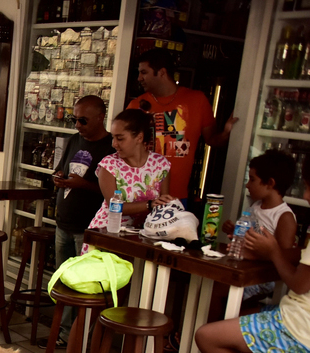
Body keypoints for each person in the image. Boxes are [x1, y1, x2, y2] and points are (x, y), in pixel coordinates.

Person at [195, 155, 310, 353]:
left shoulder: (284, 217)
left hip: (299, 325)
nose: (305, 195)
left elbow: (299, 284)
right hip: (296, 319)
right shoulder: (256, 207)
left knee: (206, 336)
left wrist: (272, 252)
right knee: (242, 320)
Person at [41, 95, 115, 349]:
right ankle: (62, 334)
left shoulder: (110, 148)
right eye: (75, 118)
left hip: (90, 228)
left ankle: (79, 339)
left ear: (99, 117)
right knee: (63, 282)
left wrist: (81, 184)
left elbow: (110, 194)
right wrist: (59, 178)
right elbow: (61, 169)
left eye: (82, 120)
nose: (78, 125)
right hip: (64, 222)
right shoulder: (74, 140)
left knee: (84, 287)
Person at [127, 48, 238, 201]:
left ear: (162, 72)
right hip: (139, 193)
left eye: (144, 72)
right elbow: (123, 147)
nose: (139, 78)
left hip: (176, 196)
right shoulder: (136, 105)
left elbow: (212, 140)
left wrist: (226, 132)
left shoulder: (196, 100)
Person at [82, 109, 174, 254]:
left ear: (139, 137)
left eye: (120, 138)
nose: (114, 144)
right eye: (113, 137)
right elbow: (114, 206)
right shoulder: (109, 165)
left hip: (144, 238)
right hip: (108, 234)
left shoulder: (161, 164)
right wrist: (149, 204)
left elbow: (163, 203)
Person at [222, 150, 297, 302]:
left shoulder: (284, 216)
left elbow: (284, 256)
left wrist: (255, 253)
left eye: (252, 180)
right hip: (244, 267)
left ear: (270, 183)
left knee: (219, 290)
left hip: (262, 278)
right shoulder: (255, 206)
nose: (247, 185)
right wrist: (234, 231)